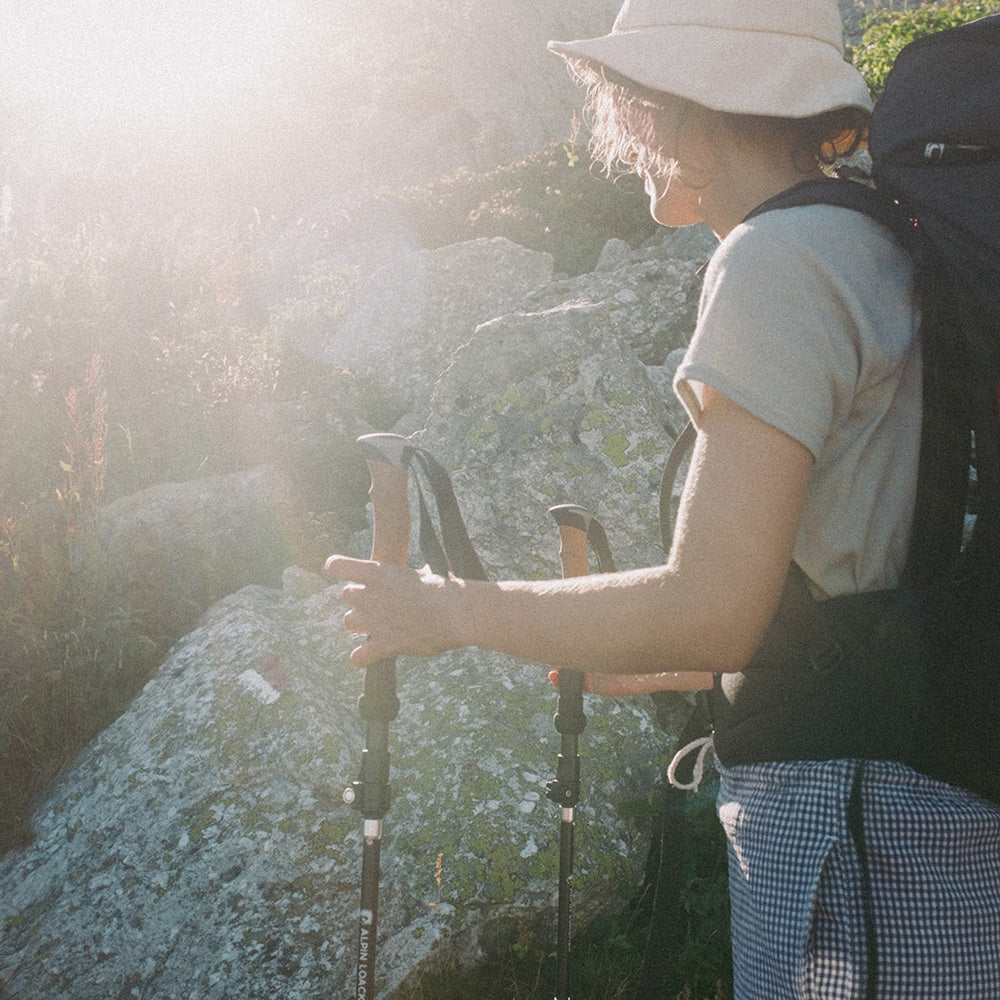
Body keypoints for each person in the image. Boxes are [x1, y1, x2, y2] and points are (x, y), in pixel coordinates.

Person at [326, 1, 1000, 997]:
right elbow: (852, 572)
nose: (621, 135)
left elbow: (715, 606)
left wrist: (445, 611)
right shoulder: (871, 241)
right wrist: (626, 647)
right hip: (926, 810)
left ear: (680, 108)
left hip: (848, 823)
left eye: (628, 104)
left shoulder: (779, 260)